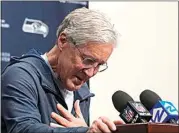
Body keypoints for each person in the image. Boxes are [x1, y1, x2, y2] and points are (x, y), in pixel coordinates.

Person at [2, 7, 123, 133]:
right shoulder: (20, 76)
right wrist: (84, 131)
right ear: (63, 41)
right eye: (88, 60)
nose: (91, 73)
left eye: (99, 65)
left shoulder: (82, 89)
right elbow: (23, 129)